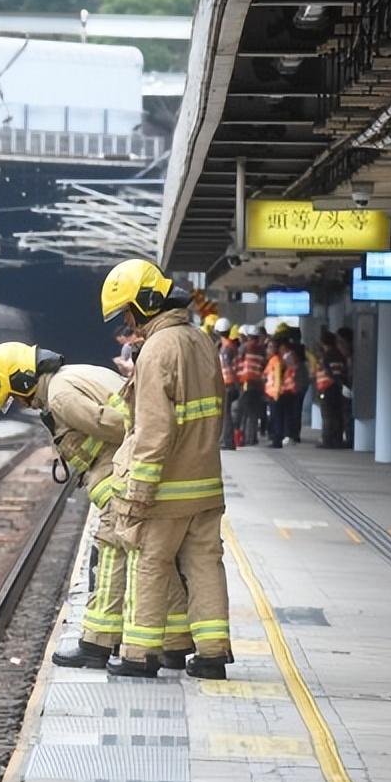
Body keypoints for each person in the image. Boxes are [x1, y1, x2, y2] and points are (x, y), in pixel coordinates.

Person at [0, 341, 195, 671]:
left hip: (119, 476)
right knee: (155, 556)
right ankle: (177, 642)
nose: (24, 404)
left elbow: (121, 426)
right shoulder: (76, 374)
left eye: (17, 395)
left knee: (111, 551)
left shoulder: (60, 395)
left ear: (23, 379)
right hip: (134, 472)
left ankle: (97, 643)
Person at [99, 258, 231, 680]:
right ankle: (212, 653)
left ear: (146, 305)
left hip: (167, 489)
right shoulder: (199, 340)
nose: (128, 322)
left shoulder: (157, 350)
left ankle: (139, 655)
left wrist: (139, 493)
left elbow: (153, 431)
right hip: (206, 482)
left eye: (128, 313)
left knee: (150, 562)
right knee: (206, 563)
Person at [316, 330, 347, 449]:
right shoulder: (340, 355)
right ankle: (337, 439)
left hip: (327, 388)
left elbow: (330, 373)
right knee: (337, 414)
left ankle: (327, 440)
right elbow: (341, 372)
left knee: (328, 415)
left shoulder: (327, 356)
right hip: (337, 389)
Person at [236, 326, 265, 447]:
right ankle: (252, 438)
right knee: (254, 412)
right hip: (258, 384)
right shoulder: (262, 350)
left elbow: (238, 363)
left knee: (245, 411)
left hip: (246, 383)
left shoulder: (244, 348)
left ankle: (244, 437)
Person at [216, 320, 240, 451]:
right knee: (227, 414)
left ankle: (227, 441)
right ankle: (227, 440)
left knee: (226, 414)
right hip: (231, 384)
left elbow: (226, 368)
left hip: (227, 384)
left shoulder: (226, 349)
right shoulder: (231, 347)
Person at [263, 337, 285, 449]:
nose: (268, 349)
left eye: (271, 347)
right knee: (274, 416)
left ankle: (277, 440)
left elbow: (277, 378)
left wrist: (276, 392)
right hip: (271, 393)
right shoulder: (273, 360)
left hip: (275, 394)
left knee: (276, 417)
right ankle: (275, 438)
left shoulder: (276, 361)